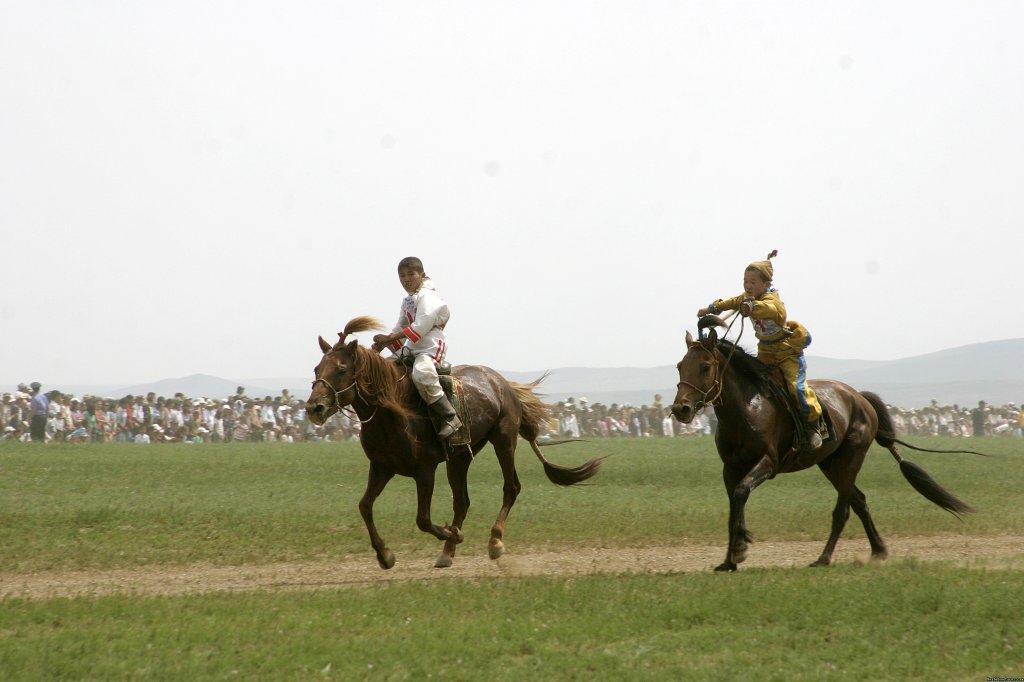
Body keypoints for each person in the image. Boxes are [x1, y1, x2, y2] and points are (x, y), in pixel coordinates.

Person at [697, 250, 828, 450]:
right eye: (745, 281)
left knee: (796, 388)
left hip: (787, 352)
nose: (748, 285)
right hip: (765, 351)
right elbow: (730, 302)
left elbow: (770, 310)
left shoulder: (772, 301)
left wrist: (751, 308)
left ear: (766, 285)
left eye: (753, 282)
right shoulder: (745, 298)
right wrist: (711, 309)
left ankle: (814, 425)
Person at [372, 256, 463, 439]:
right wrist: (382, 344)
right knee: (384, 370)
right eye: (402, 276)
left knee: (421, 373)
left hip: (430, 346)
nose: (406, 279)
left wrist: (391, 338)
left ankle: (450, 417)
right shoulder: (408, 301)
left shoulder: (428, 297)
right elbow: (400, 326)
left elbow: (421, 325)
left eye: (410, 274)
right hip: (413, 346)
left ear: (422, 275)